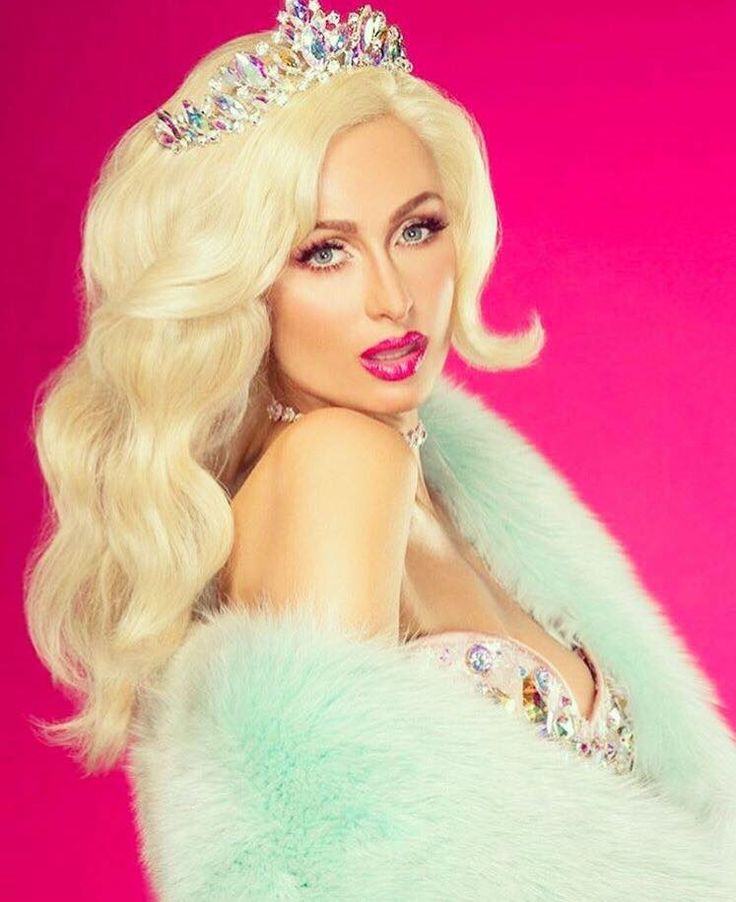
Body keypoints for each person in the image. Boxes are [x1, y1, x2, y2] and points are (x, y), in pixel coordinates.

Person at [24, 1, 736, 898]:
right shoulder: (341, 461)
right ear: (243, 285)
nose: (393, 297)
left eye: (416, 229)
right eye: (324, 252)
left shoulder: (434, 478)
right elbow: (330, 864)